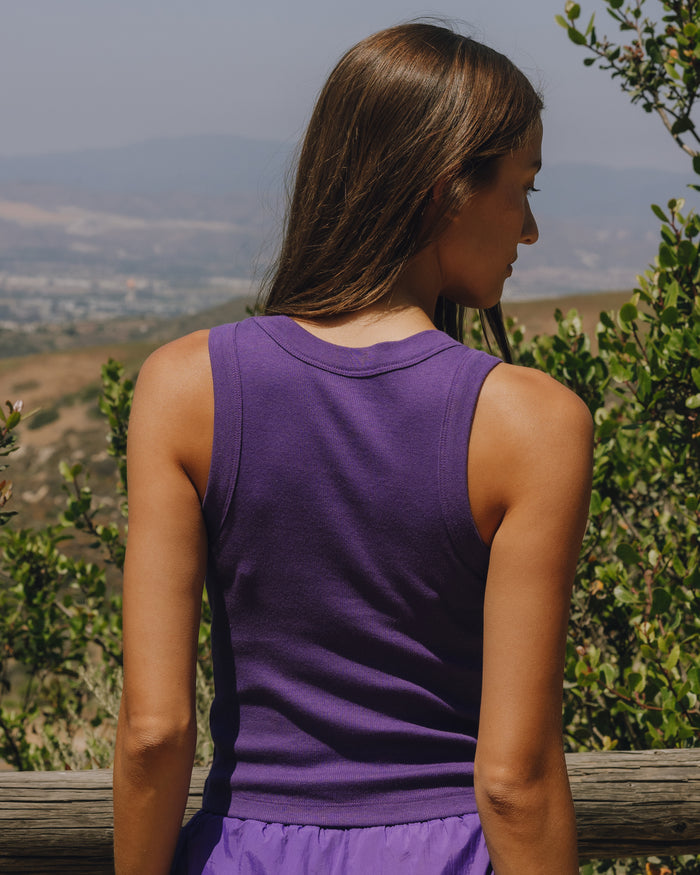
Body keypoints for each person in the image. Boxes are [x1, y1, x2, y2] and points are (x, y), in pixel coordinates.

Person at [113, 21, 592, 875]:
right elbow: (516, 778)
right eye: (522, 190)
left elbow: (154, 733)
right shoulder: (532, 423)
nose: (530, 231)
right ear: (450, 188)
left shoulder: (182, 388)